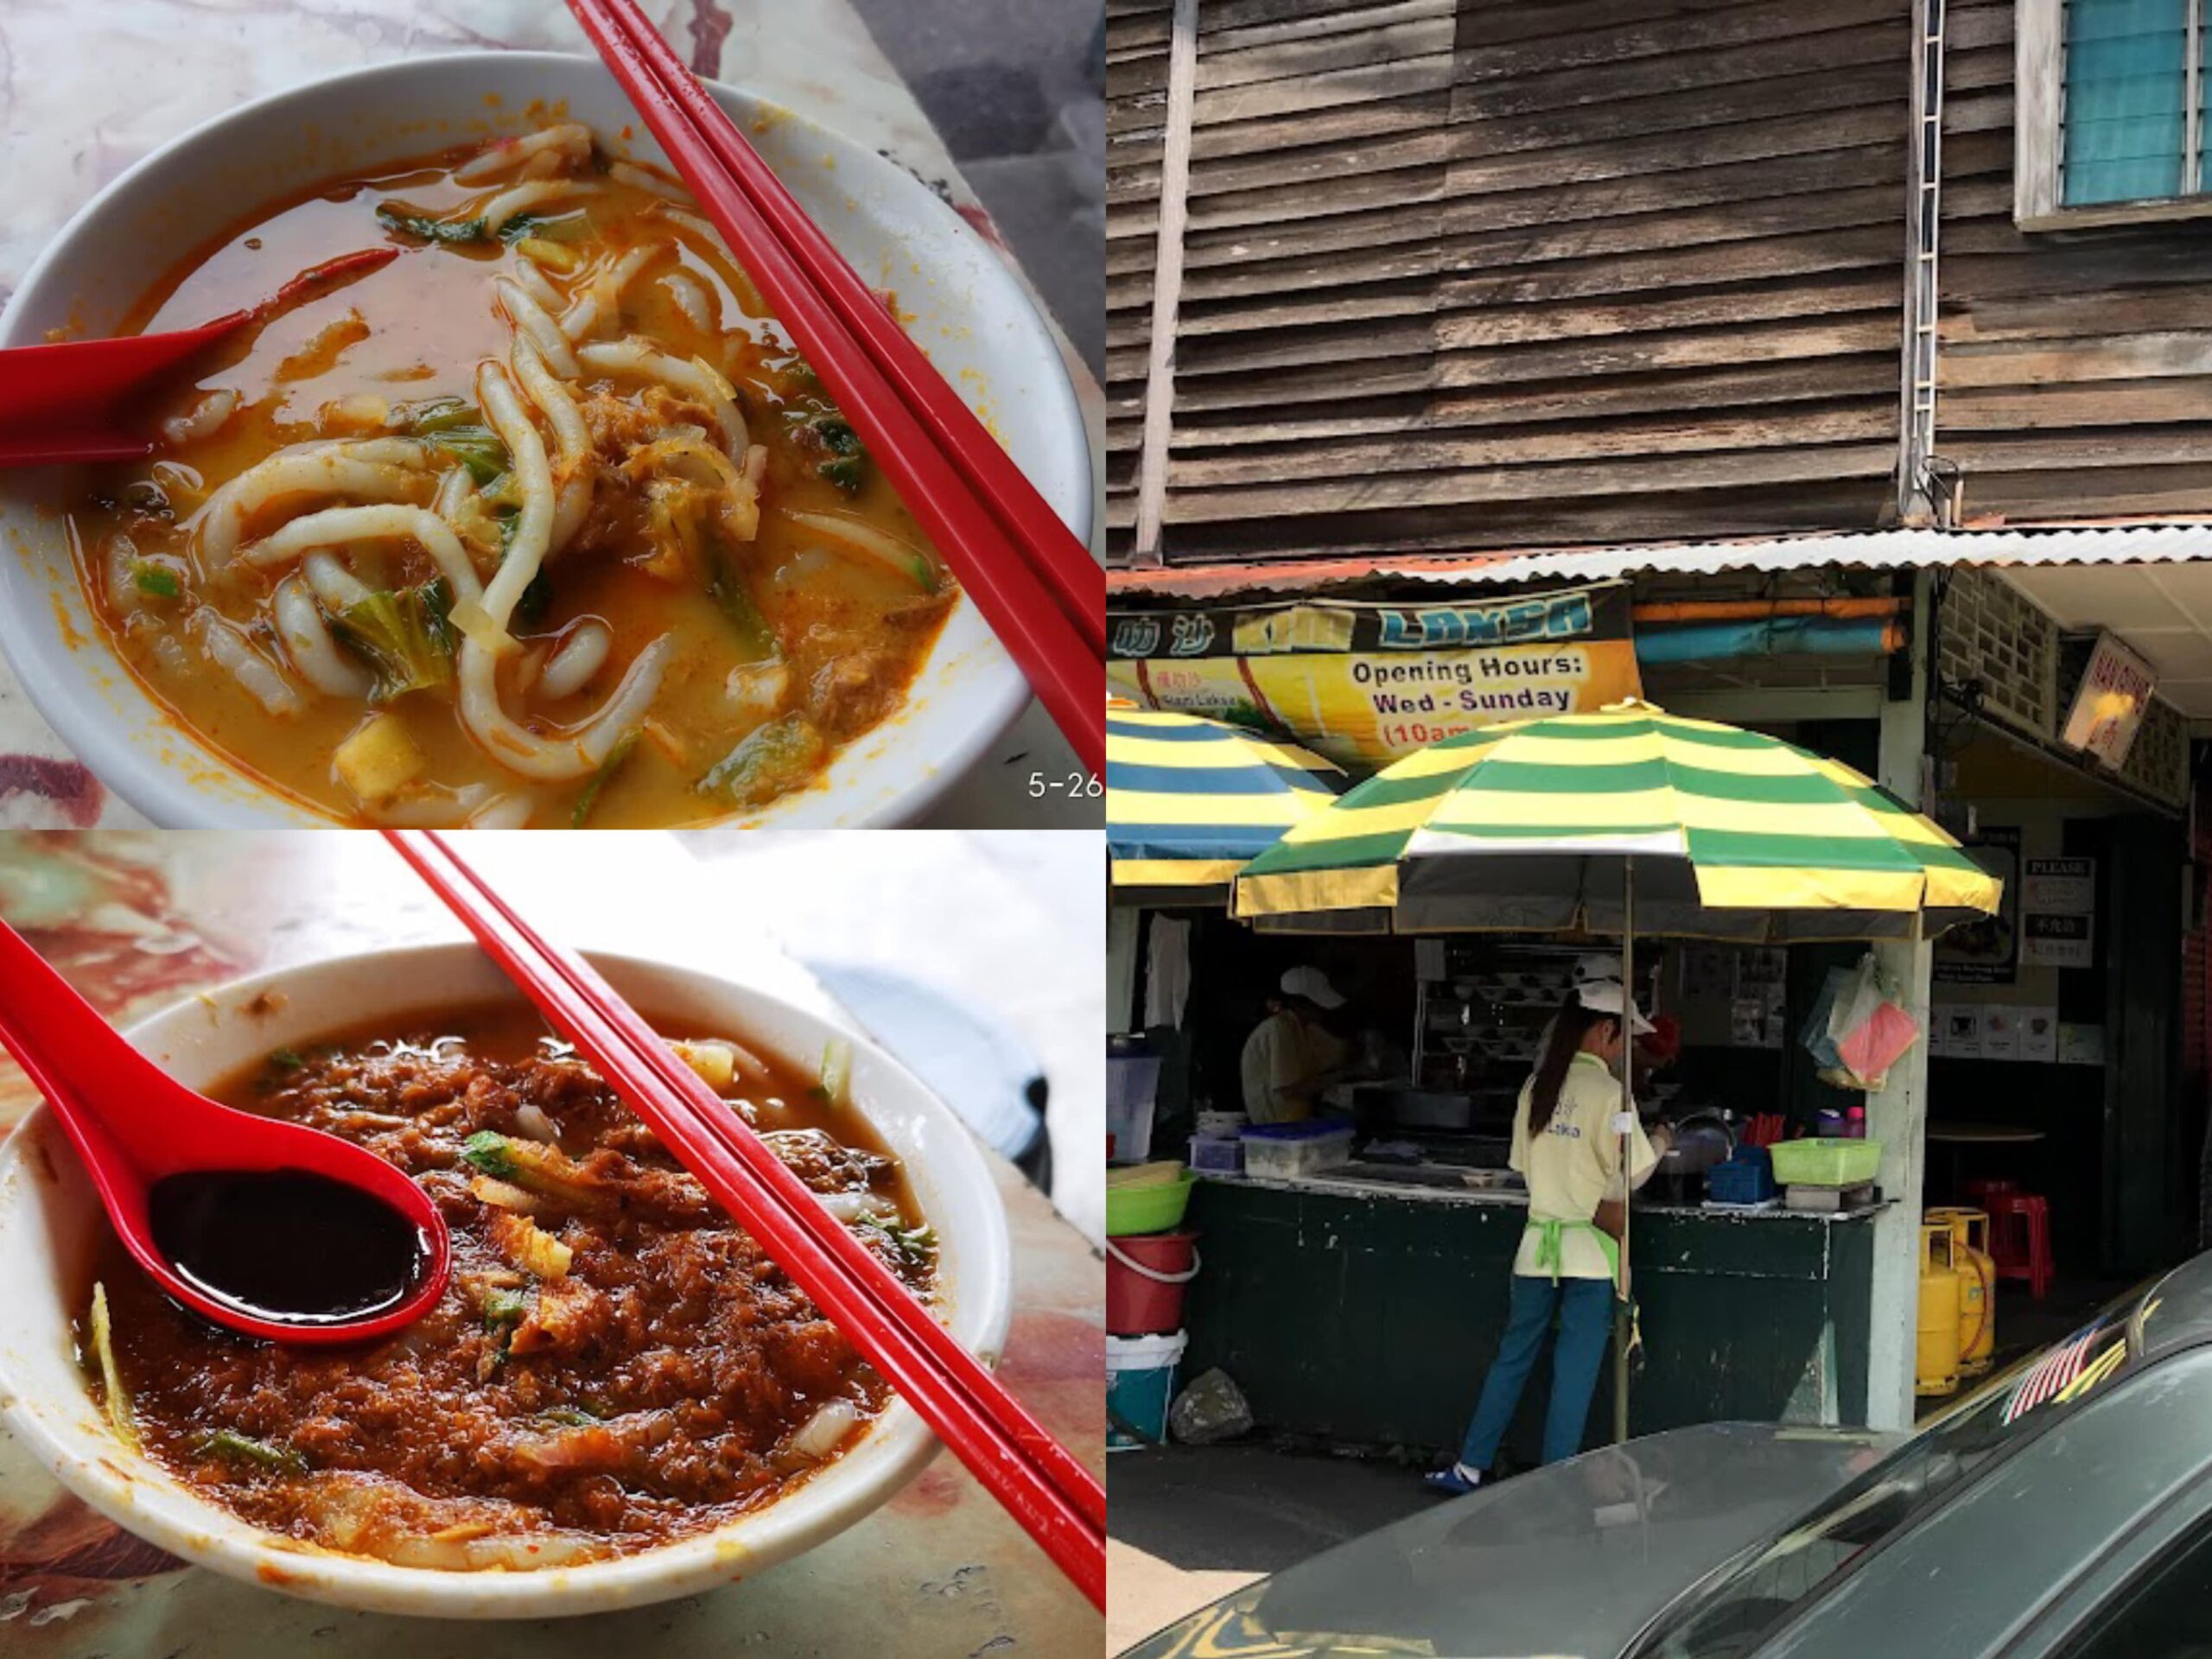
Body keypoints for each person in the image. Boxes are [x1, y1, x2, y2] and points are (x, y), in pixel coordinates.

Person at [1425, 978, 1671, 1495]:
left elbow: (1522, 1165)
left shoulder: (1536, 1087)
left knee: (1512, 1357)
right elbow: (1634, 1175)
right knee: (1574, 1371)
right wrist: (1665, 1139)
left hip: (1537, 1248)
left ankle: (1470, 1466)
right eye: (1625, 1038)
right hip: (1590, 1253)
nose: (1626, 1050)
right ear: (1606, 1031)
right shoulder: (1611, 1094)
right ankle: (1551, 1483)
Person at [1239, 965, 1349, 1124]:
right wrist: (1341, 1076)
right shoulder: (1279, 1028)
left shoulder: (1304, 1029)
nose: (1323, 1010)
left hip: (1296, 1125)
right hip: (1276, 1130)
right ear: (1298, 1003)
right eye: (1317, 1004)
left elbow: (1333, 1057)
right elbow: (1288, 1090)